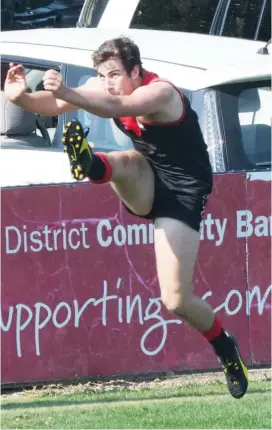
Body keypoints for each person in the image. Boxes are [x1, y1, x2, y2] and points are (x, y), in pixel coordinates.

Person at [4, 36, 248, 398]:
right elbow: (54, 103)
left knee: (176, 300)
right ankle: (90, 162)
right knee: (127, 162)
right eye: (102, 76)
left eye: (116, 74)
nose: (108, 82)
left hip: (183, 194)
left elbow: (116, 104)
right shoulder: (104, 87)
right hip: (147, 178)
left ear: (137, 70)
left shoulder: (161, 92)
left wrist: (70, 93)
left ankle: (226, 348)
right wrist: (19, 97)